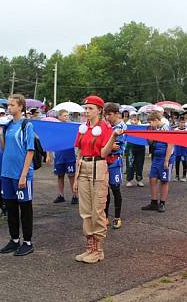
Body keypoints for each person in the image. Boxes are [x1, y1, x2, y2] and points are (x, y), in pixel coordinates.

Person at [73, 95, 122, 264]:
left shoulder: (105, 128)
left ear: (100, 110)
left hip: (98, 167)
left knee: (97, 210)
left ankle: (98, 250)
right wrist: (75, 179)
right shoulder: (83, 128)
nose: (86, 111)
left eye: (90, 108)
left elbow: (103, 153)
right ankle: (90, 248)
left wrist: (114, 137)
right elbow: (79, 152)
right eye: (85, 108)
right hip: (83, 167)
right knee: (85, 211)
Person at [0, 94, 36, 257]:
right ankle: (14, 239)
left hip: (21, 174)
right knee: (11, 208)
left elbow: (30, 151)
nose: (9, 107)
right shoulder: (8, 125)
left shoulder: (27, 125)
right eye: (8, 105)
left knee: (25, 208)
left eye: (12, 105)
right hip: (7, 173)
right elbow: (4, 148)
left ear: (21, 107)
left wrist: (24, 175)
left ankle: (27, 242)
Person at [141, 111, 174, 213]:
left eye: (150, 122)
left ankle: (162, 203)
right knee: (152, 178)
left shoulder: (166, 128)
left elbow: (170, 144)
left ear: (156, 120)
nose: (150, 124)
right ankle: (154, 202)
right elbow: (150, 143)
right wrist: (149, 134)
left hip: (165, 157)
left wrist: (167, 160)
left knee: (164, 181)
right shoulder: (154, 129)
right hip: (156, 156)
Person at [103, 103, 127, 229]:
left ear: (117, 113)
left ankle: (117, 217)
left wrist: (106, 144)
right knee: (104, 190)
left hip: (115, 161)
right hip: (104, 160)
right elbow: (105, 143)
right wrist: (106, 144)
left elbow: (115, 145)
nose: (107, 117)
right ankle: (105, 217)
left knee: (115, 189)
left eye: (109, 114)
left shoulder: (121, 126)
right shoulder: (107, 125)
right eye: (106, 115)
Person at [52, 109, 78, 205]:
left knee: (71, 176)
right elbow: (51, 141)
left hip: (70, 155)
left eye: (67, 115)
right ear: (59, 117)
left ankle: (75, 195)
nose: (66, 117)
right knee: (60, 176)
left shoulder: (71, 127)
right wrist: (48, 154)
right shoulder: (56, 128)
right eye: (64, 115)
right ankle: (61, 195)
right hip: (59, 155)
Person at [125, 112, 146, 187]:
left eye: (136, 117)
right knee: (130, 163)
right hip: (130, 147)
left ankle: (139, 179)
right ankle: (129, 179)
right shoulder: (127, 125)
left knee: (140, 164)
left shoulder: (143, 126)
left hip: (141, 147)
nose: (134, 119)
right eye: (133, 117)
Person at [174, 117, 187, 182]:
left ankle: (184, 175)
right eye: (181, 122)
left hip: (184, 148)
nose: (182, 124)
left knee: (184, 162)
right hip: (177, 148)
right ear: (178, 122)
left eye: (183, 122)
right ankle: (177, 175)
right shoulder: (175, 130)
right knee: (177, 162)